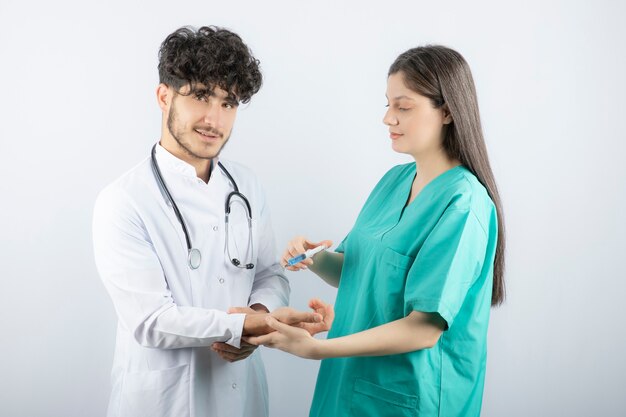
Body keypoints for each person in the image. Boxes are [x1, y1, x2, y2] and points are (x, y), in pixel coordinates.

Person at [247, 45, 506, 417]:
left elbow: (424, 329)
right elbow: (357, 269)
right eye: (387, 105)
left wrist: (315, 349)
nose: (388, 118)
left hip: (408, 398)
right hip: (345, 386)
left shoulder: (463, 205)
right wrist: (315, 257)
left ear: (447, 111)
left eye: (403, 106)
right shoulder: (394, 182)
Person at [92, 26, 323, 417]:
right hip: (163, 402)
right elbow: (150, 320)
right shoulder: (124, 200)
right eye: (200, 96)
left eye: (228, 102)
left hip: (243, 396)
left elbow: (270, 275)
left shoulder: (246, 185)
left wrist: (261, 318)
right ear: (164, 96)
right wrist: (239, 328)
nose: (214, 119)